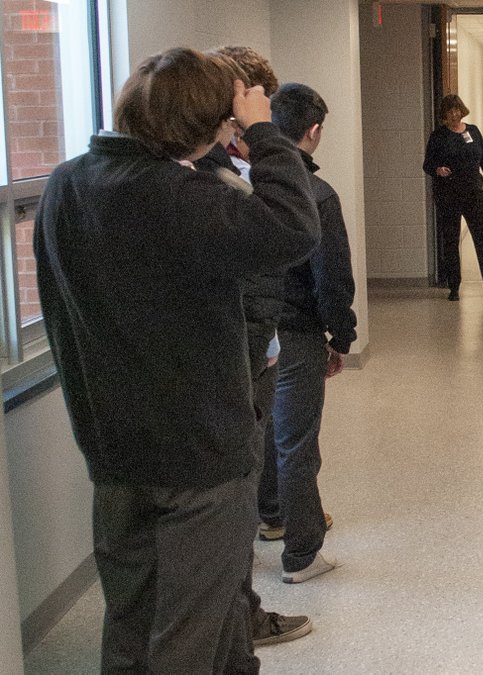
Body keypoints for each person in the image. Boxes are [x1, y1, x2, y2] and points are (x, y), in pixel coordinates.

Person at [35, 48, 319, 671]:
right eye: (225, 122)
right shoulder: (179, 195)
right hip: (198, 463)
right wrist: (265, 131)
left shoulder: (67, 184)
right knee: (193, 635)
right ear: (206, 122)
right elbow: (295, 226)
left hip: (114, 453)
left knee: (134, 624)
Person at [197, 46, 313, 648]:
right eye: (249, 107)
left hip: (256, 350)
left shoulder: (229, 166)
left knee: (241, 504)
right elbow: (296, 227)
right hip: (233, 364)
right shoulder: (207, 176)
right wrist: (264, 135)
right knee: (229, 510)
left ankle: (241, 618)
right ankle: (235, 624)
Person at [258, 82, 358, 585]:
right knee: (297, 442)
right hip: (296, 335)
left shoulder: (243, 183)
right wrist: (340, 339)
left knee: (263, 430)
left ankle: (272, 515)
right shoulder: (316, 195)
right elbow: (332, 278)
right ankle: (302, 553)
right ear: (314, 131)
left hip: (251, 334)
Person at [422, 94, 483, 301]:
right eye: (450, 111)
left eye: (457, 110)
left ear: (462, 110)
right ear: (444, 114)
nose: (454, 114)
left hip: (473, 193)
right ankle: (454, 286)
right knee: (451, 240)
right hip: (448, 195)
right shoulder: (438, 136)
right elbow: (427, 164)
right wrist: (437, 169)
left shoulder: (473, 132)